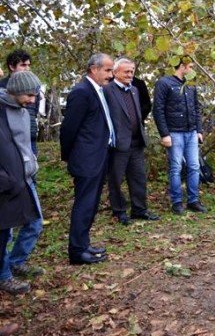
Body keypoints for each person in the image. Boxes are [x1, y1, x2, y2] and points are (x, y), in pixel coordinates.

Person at [60, 54, 115, 265]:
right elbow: (69, 129)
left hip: (100, 156)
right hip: (86, 159)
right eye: (107, 71)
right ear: (94, 69)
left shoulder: (97, 90)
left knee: (91, 204)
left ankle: (83, 245)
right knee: (84, 204)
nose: (111, 75)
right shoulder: (81, 92)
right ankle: (76, 251)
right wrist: (70, 156)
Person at [0, 71, 42, 293]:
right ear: (14, 91)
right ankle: (4, 274)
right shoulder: (2, 110)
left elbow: (24, 144)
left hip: (25, 178)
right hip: (7, 182)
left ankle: (16, 262)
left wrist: (31, 164)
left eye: (35, 95)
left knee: (35, 222)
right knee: (4, 231)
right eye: (29, 95)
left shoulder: (24, 111)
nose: (33, 100)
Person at [104, 58, 159, 226]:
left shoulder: (134, 90)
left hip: (136, 143)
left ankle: (139, 209)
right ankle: (119, 211)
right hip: (119, 144)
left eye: (132, 71)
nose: (130, 74)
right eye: (126, 71)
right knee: (116, 179)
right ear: (115, 72)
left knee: (138, 178)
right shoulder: (107, 90)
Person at [153, 58, 206, 215]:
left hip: (191, 132)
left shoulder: (191, 85)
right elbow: (158, 110)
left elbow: (196, 108)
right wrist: (164, 134)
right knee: (176, 168)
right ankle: (177, 203)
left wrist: (199, 130)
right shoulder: (164, 83)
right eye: (190, 67)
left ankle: (193, 201)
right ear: (182, 66)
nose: (192, 70)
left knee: (194, 167)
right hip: (174, 133)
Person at [0, 49, 40, 154]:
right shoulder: (2, 87)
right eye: (23, 65)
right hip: (11, 141)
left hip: (30, 137)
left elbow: (34, 111)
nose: (27, 69)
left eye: (28, 65)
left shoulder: (34, 85)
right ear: (11, 67)